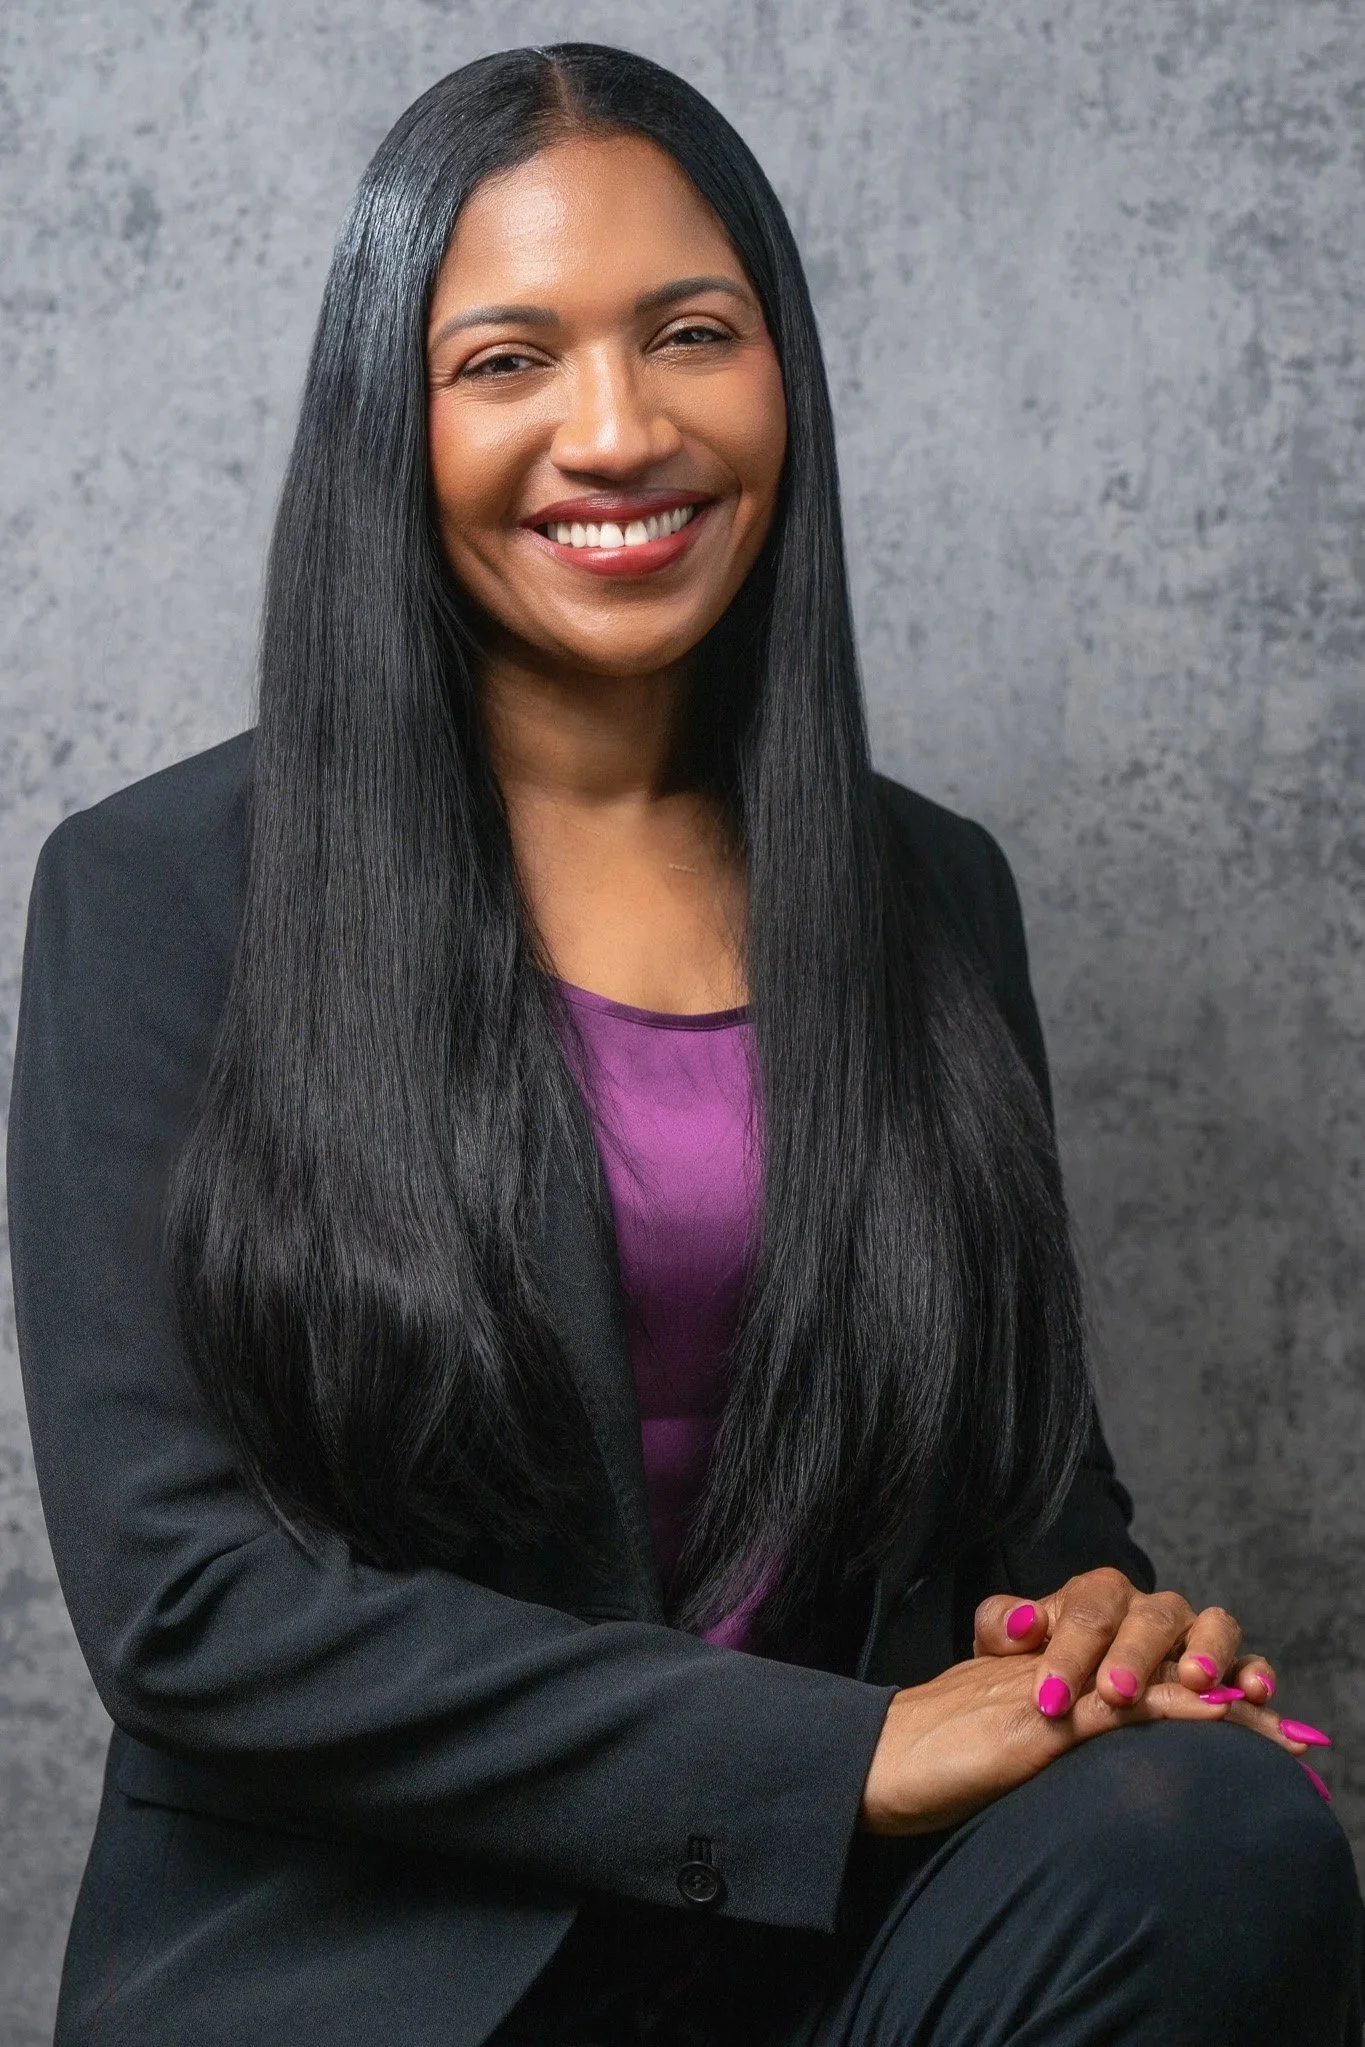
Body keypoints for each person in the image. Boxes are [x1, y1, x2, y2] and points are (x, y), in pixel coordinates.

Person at [8, 43, 1360, 2047]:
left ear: (780, 373)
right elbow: (197, 1613)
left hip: (838, 1952)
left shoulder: (933, 897)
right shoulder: (159, 893)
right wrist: (841, 1754)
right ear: (392, 419)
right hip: (387, 1968)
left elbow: (1035, 1516)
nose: (618, 429)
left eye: (691, 335)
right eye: (508, 361)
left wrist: (1085, 1632)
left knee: (1225, 1836)